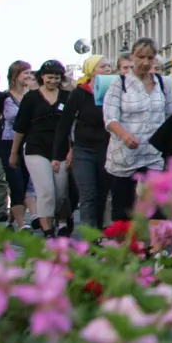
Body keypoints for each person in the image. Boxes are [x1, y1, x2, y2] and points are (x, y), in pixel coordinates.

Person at [103, 38, 172, 222]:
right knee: (123, 209)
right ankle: (124, 239)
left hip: (154, 154)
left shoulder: (163, 83)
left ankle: (155, 240)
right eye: (141, 57)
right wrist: (124, 134)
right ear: (132, 56)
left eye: (150, 58)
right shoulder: (119, 83)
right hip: (125, 154)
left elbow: (171, 116)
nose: (145, 62)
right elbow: (110, 118)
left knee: (157, 207)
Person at [11, 60, 72, 237]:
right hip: (36, 147)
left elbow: (72, 127)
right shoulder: (31, 98)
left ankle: (60, 220)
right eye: (49, 77)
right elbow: (20, 128)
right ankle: (47, 229)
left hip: (61, 149)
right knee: (46, 191)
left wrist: (71, 150)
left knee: (60, 193)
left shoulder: (67, 97)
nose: (53, 81)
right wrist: (14, 152)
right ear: (42, 77)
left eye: (57, 77)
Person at [55, 55, 115, 229]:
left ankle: (97, 230)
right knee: (88, 195)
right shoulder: (79, 93)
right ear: (91, 70)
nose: (107, 69)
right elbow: (65, 124)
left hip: (107, 149)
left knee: (102, 194)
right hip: (83, 150)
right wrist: (57, 155)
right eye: (102, 66)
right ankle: (89, 235)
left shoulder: (115, 91)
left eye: (108, 66)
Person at [0, 62, 32, 230]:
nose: (29, 76)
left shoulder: (34, 96)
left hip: (30, 144)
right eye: (25, 73)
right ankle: (22, 224)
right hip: (8, 144)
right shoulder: (4, 98)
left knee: (27, 183)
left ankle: (10, 220)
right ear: (15, 76)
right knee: (16, 183)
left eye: (30, 73)